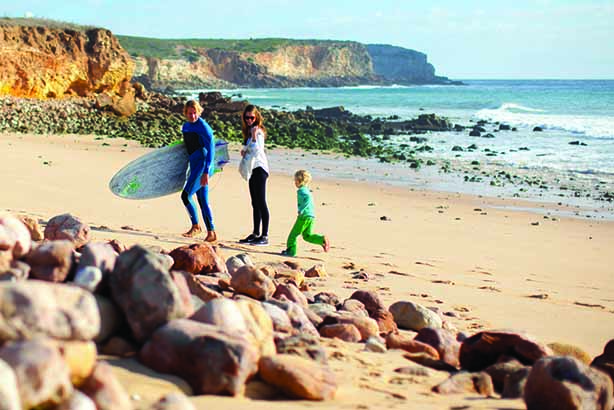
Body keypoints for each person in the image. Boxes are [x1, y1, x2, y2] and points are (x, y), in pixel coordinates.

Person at [180, 100, 217, 242]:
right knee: (202, 200)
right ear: (185, 113)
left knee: (186, 195)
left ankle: (196, 226)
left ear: (199, 112)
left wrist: (206, 171)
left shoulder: (204, 127)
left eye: (195, 113)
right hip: (194, 165)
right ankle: (211, 233)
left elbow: (211, 150)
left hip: (202, 166)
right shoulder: (186, 126)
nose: (193, 116)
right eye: (190, 113)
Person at [239, 104, 270, 246]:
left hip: (260, 169)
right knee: (254, 202)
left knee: (261, 202)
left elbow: (258, 150)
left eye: (251, 117)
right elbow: (249, 149)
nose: (249, 120)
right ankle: (255, 233)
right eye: (246, 118)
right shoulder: (249, 131)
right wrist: (245, 150)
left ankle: (265, 236)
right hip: (252, 169)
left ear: (256, 117)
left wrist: (252, 138)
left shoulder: (258, 132)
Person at [282, 170, 330, 256]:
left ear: (299, 181)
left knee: (293, 235)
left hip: (303, 216)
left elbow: (307, 199)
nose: (294, 182)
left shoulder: (301, 191)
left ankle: (291, 251)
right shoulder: (307, 190)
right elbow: (309, 199)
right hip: (311, 216)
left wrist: (302, 209)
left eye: (295, 180)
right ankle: (321, 239)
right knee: (307, 236)